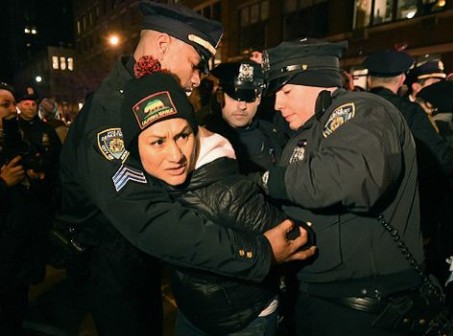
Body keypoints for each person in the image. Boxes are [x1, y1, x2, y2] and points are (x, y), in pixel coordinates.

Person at [59, 2, 314, 335]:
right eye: (195, 64)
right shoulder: (111, 116)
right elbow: (149, 217)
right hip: (113, 261)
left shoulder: (138, 96)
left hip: (137, 255)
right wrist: (256, 253)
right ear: (163, 45)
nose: (197, 79)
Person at [258, 38, 424, 336]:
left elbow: (354, 179)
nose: (277, 104)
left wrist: (272, 180)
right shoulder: (313, 127)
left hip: (362, 305)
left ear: (318, 82)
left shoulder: (359, 110)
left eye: (286, 91)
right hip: (324, 295)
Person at [120, 68, 293, 335]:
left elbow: (294, 238)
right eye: (158, 142)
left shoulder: (227, 193)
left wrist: (265, 255)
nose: (176, 155)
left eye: (182, 136)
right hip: (195, 312)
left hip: (241, 321)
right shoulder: (143, 184)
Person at [363, 49, 453, 282]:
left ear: (368, 79)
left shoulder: (353, 106)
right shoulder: (409, 111)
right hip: (404, 212)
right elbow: (440, 161)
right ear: (402, 79)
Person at [0, 82, 52, 334]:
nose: (14, 110)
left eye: (13, 104)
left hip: (17, 248)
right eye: (5, 105)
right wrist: (3, 183)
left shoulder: (13, 138)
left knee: (16, 308)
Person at [205, 61, 287, 174]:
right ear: (220, 97)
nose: (242, 106)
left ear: (258, 99)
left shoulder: (275, 133)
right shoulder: (205, 139)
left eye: (249, 98)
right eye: (235, 98)